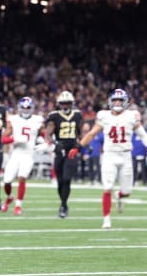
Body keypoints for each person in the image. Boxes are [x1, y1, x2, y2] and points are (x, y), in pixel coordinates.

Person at [70, 89, 147, 229]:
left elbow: (142, 134)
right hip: (109, 155)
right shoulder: (104, 116)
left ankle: (120, 196)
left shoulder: (131, 116)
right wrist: (78, 147)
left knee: (127, 191)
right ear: (110, 101)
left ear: (125, 102)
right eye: (115, 100)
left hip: (126, 155)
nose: (117, 102)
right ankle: (106, 219)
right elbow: (91, 134)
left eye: (120, 100)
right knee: (107, 187)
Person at [0, 97, 44, 215]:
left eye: (28, 107)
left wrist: (44, 143)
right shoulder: (13, 120)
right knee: (7, 181)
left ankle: (18, 205)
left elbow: (44, 134)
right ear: (19, 108)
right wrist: (15, 139)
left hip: (28, 154)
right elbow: (3, 139)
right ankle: (9, 197)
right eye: (23, 108)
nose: (25, 110)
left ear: (32, 108)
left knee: (22, 177)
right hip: (16, 153)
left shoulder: (38, 120)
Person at [45, 90, 83, 218]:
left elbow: (80, 132)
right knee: (60, 181)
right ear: (59, 104)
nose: (65, 106)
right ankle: (63, 203)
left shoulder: (77, 115)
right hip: (59, 150)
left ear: (71, 103)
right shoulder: (54, 116)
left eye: (67, 103)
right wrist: (55, 142)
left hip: (71, 150)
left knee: (67, 179)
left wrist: (80, 144)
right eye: (63, 103)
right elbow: (48, 134)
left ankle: (63, 205)